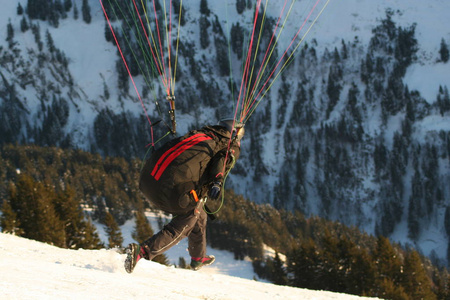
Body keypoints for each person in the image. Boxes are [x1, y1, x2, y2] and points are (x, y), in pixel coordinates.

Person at [124, 119, 245, 273]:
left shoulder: (202, 134)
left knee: (199, 214)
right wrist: (217, 181)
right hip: (173, 190)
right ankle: (142, 252)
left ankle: (198, 257)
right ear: (235, 134)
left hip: (149, 180)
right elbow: (220, 162)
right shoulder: (227, 146)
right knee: (185, 222)